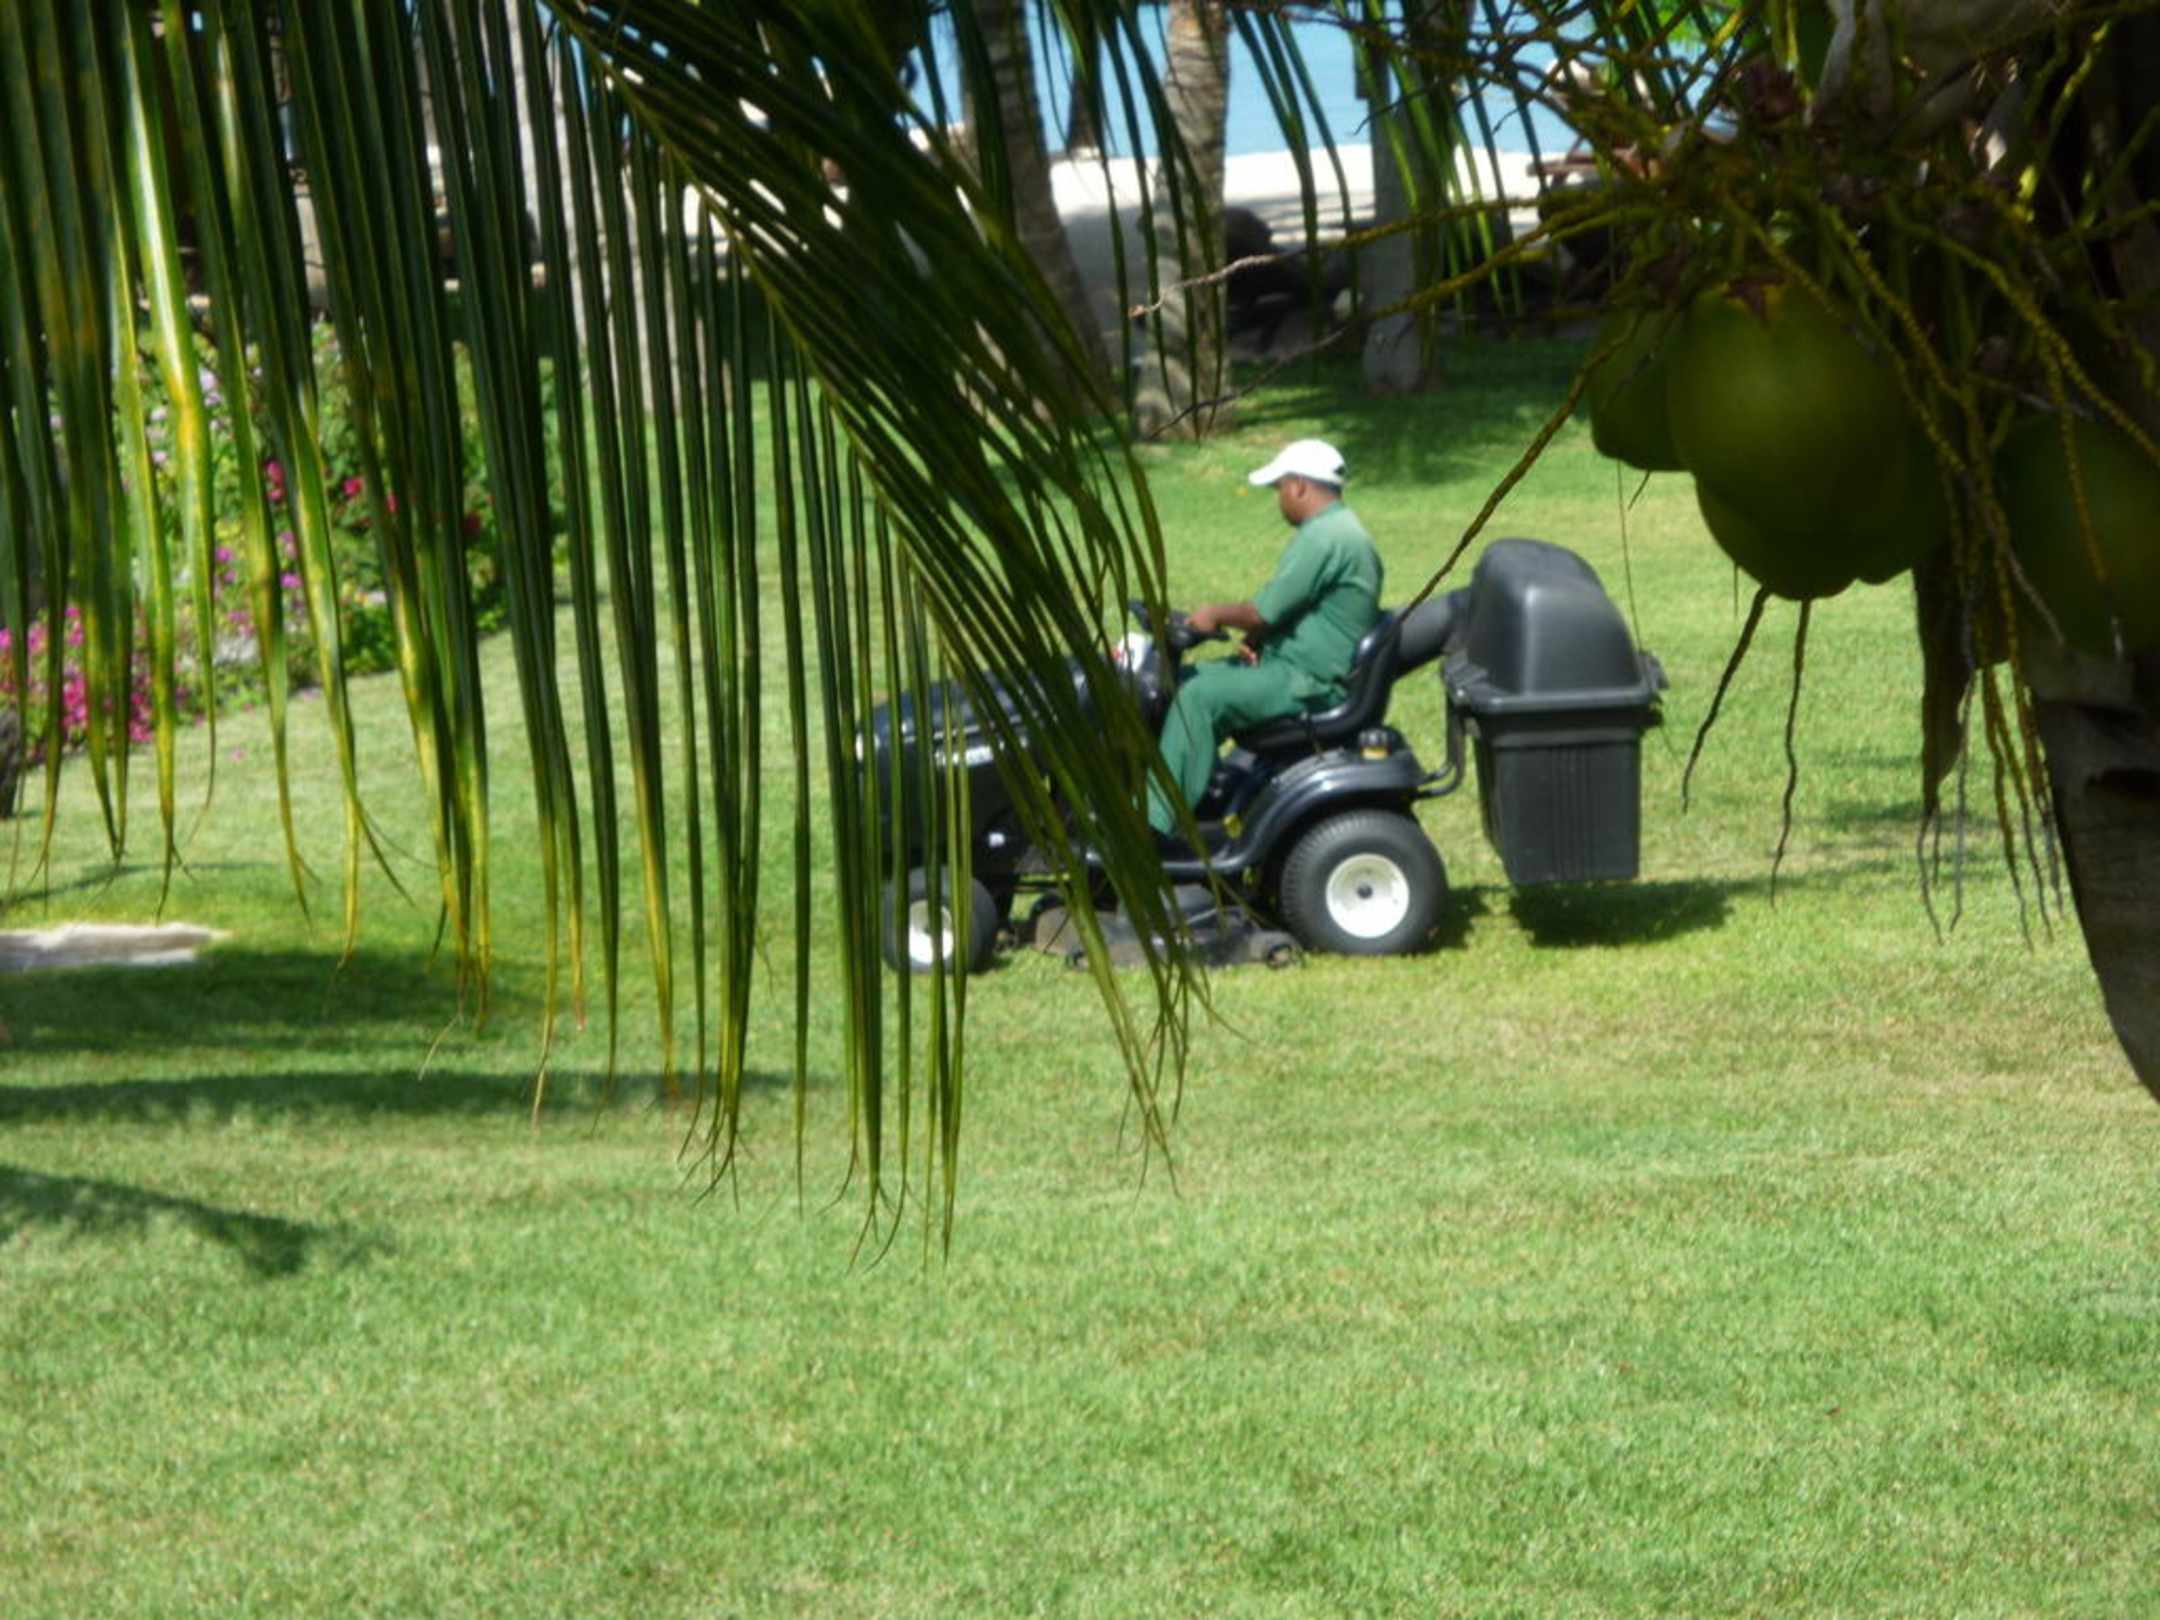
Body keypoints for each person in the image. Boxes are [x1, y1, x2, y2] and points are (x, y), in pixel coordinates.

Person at [1147, 437, 1383, 844]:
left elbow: (1263, 611)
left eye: (1279, 489)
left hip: (1309, 681)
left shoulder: (1326, 537)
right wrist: (1258, 637)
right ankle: (1193, 797)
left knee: (1198, 697)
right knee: (1181, 680)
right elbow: (1293, 606)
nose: (1279, 500)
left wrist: (1213, 614)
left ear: (1299, 486)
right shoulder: (1338, 530)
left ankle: (1151, 827)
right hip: (1293, 667)